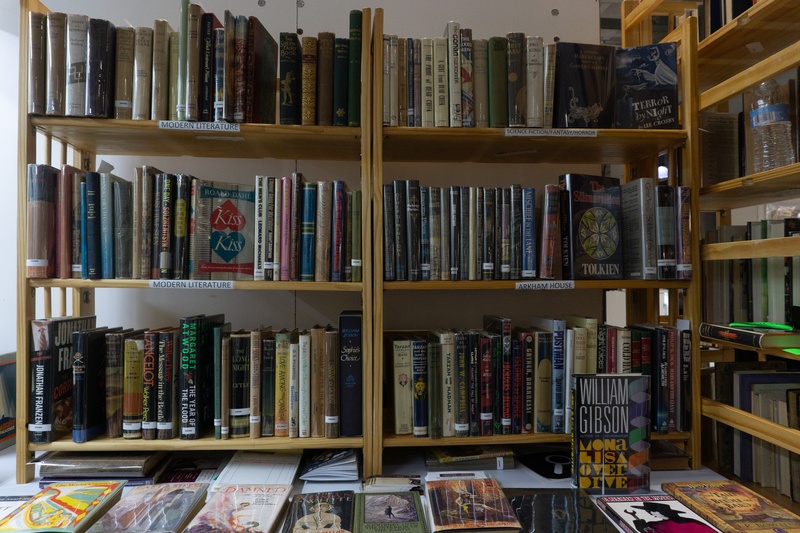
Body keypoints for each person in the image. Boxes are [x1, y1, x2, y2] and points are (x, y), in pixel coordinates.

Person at [625, 501, 718, 533]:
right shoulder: (661, 524)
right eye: (648, 512)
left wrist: (644, 529)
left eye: (652, 511)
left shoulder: (680, 525)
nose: (651, 514)